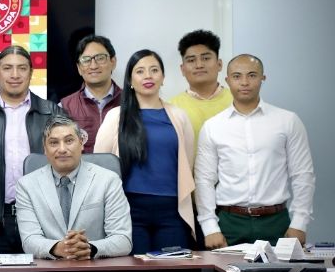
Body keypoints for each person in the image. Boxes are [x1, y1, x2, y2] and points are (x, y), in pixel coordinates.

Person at [195, 54, 315, 248]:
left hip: (276, 222)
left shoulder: (287, 121)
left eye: (252, 75)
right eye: (236, 76)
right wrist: (210, 227)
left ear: (262, 78)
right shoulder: (213, 127)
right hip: (229, 223)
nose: (244, 82)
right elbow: (204, 180)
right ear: (227, 80)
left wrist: (300, 223)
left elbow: (303, 175)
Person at [94, 50, 195, 254]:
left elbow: (189, 163)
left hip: (172, 210)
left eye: (154, 70)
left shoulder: (179, 116)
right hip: (128, 210)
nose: (148, 76)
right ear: (130, 80)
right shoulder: (116, 116)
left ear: (163, 78)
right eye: (140, 71)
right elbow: (100, 166)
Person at [0, 45, 63, 255]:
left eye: (22, 68)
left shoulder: (52, 112)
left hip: (44, 218)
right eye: (7, 68)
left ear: (31, 73)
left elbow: (66, 167)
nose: (15, 75)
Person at [16, 115, 132, 259]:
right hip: (48, 271)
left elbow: (123, 239)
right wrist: (58, 248)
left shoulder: (108, 180)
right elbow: (29, 240)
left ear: (81, 143)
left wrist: (90, 248)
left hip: (96, 271)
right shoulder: (26, 185)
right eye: (53, 143)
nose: (62, 149)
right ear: (45, 148)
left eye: (69, 140)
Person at [168, 30, 232, 146]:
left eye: (206, 58)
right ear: (182, 69)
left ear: (219, 64)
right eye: (191, 60)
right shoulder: (171, 107)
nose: (199, 65)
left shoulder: (237, 101)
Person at [60, 35, 121, 153]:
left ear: (113, 62)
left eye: (100, 58)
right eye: (86, 60)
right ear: (79, 68)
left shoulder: (131, 102)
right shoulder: (64, 107)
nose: (93, 65)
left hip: (122, 171)